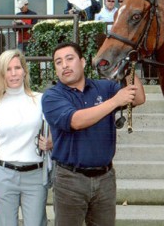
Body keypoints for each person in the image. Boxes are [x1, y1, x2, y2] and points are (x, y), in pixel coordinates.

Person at [41, 42, 145, 226]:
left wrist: (128, 66)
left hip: (105, 179)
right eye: (58, 62)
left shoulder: (104, 87)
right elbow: (76, 121)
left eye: (69, 59)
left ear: (82, 62)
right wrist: (113, 102)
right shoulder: (52, 96)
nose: (64, 65)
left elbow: (138, 98)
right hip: (69, 180)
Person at [0, 49, 49, 226]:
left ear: (24, 70)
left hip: (35, 175)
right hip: (3, 175)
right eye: (7, 69)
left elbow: (53, 133)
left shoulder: (40, 100)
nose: (13, 74)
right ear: (1, 74)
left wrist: (51, 143)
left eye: (17, 68)